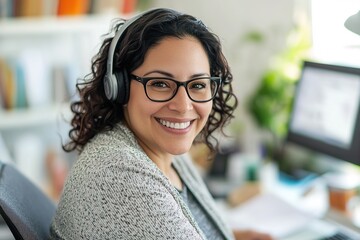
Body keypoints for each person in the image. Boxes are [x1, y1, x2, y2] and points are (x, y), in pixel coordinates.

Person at [50, 7, 273, 240]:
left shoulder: (162, 154)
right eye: (160, 84)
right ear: (119, 88)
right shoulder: (119, 176)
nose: (183, 105)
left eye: (197, 85)